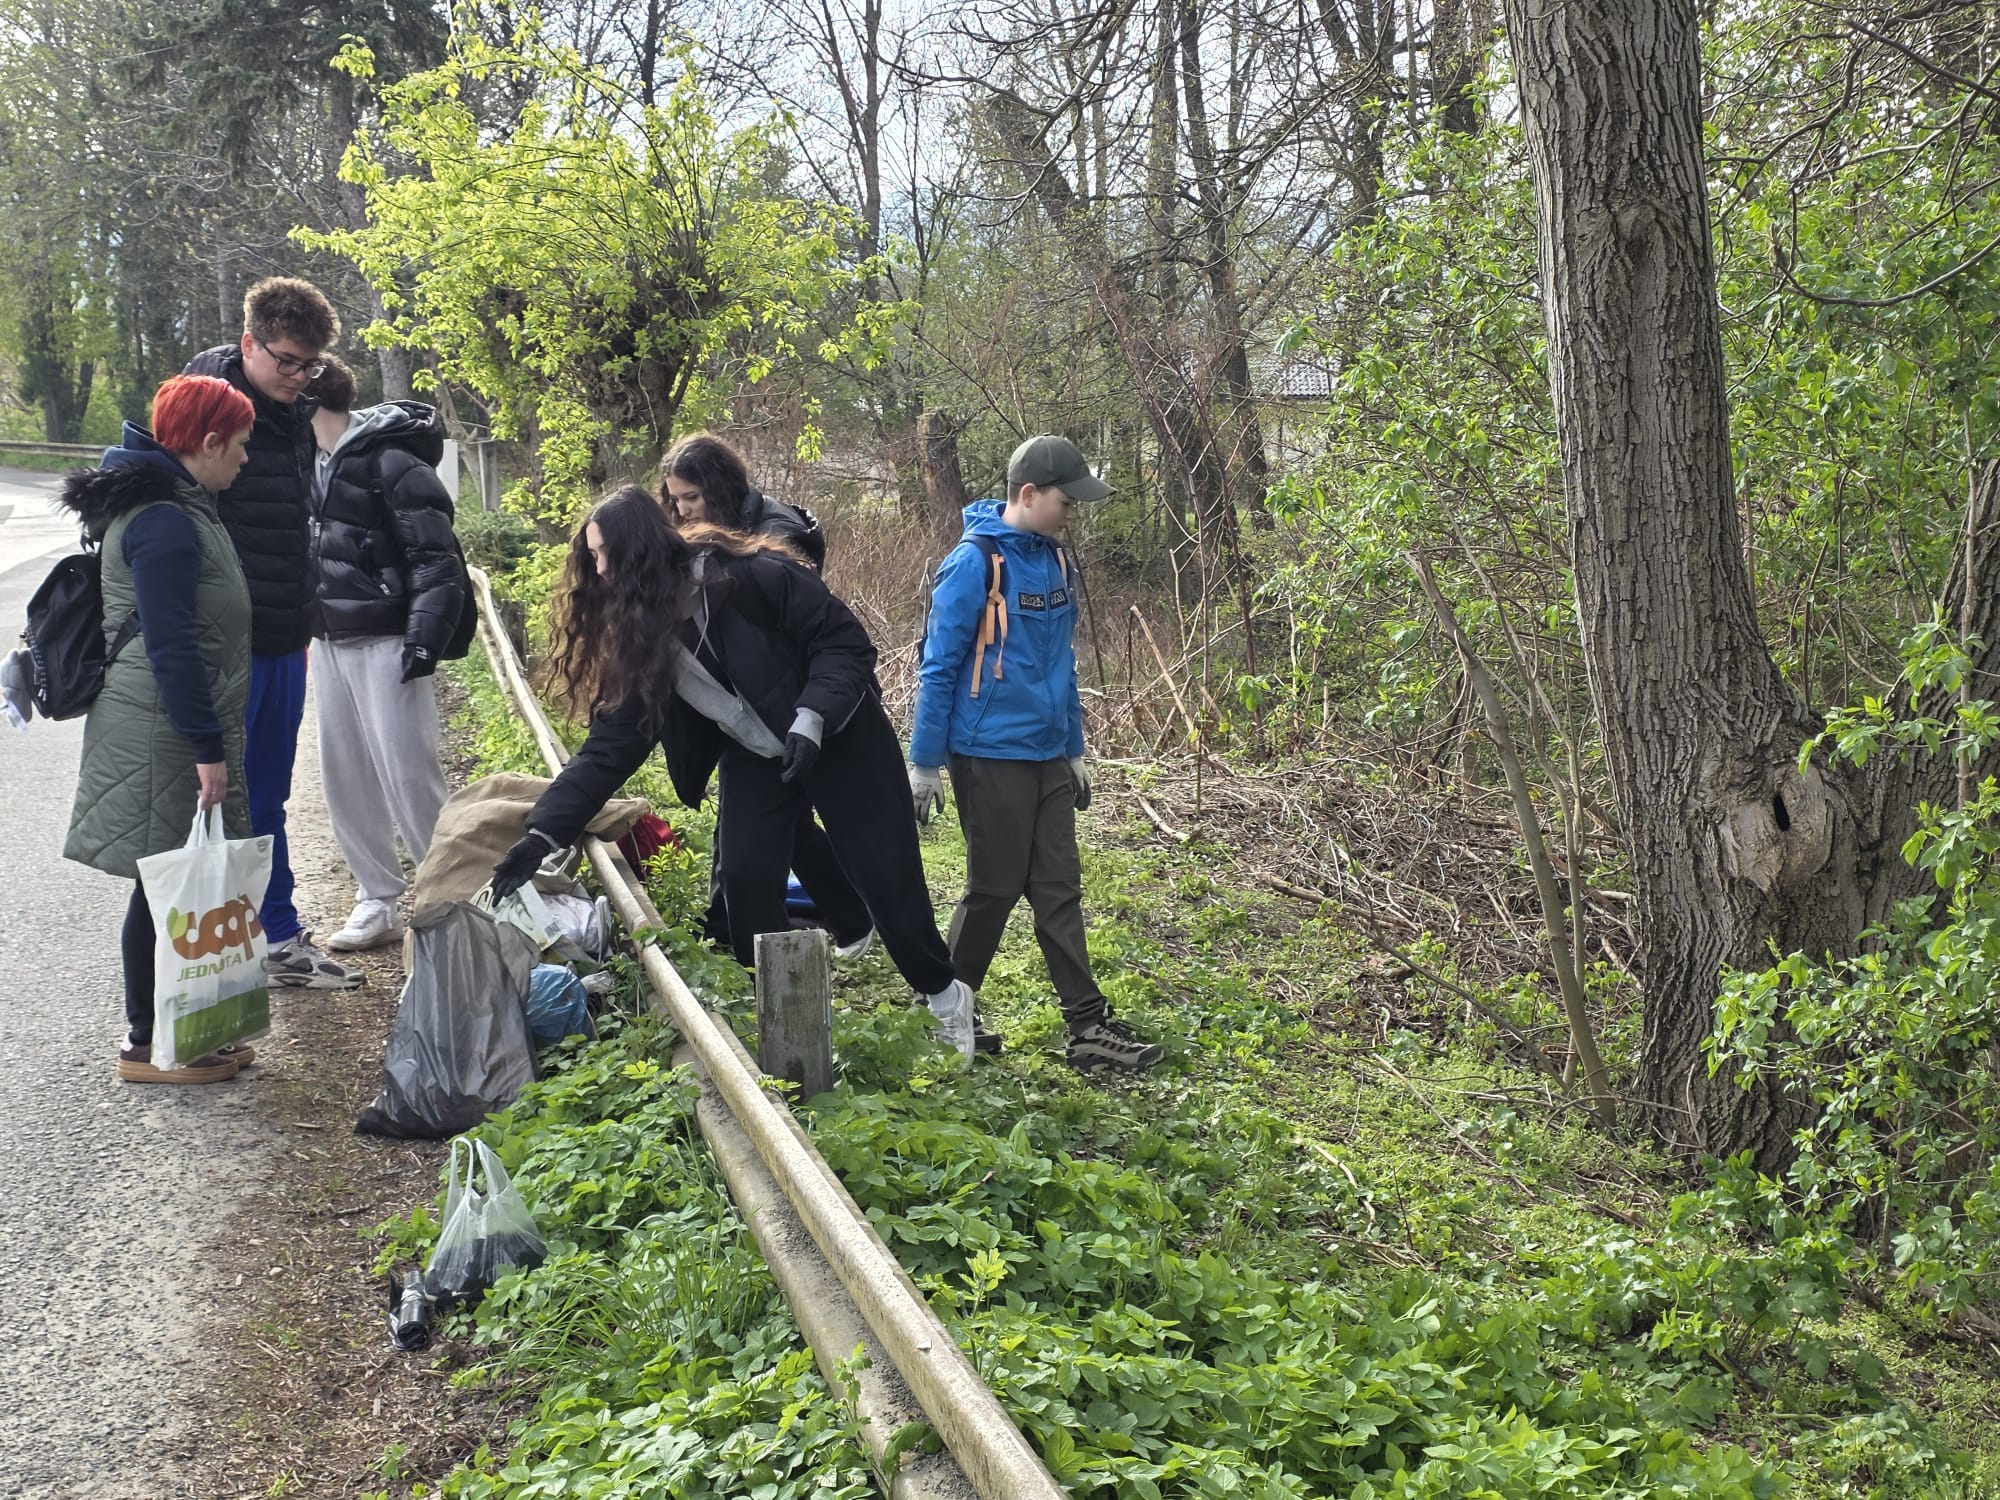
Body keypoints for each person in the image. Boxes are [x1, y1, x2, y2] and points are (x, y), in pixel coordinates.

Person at [485, 488, 978, 1057]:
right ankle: (779, 1007)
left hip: (839, 735)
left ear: (637, 554)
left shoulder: (753, 577)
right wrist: (544, 834)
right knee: (743, 876)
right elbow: (609, 747)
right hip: (756, 750)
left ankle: (944, 994)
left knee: (887, 878)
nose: (595, 571)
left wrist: (813, 716)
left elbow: (843, 643)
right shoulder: (642, 633)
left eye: (602, 556)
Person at [909, 434, 1165, 1072]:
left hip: (1048, 753)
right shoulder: (974, 563)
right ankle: (942, 1012)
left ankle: (1088, 1027)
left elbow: (1061, 665)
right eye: (1065, 502)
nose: (1072, 514)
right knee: (994, 889)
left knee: (1058, 888)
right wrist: (925, 762)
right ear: (1028, 494)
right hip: (988, 753)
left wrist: (1074, 748)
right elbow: (937, 667)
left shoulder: (1055, 562)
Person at [60, 376, 258, 1084]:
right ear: (208, 441)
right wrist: (206, 745)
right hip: (161, 725)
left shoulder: (185, 507)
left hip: (168, 718)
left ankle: (182, 1030)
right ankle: (149, 1042)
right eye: (240, 445)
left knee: (175, 878)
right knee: (165, 880)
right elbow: (171, 643)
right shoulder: (166, 520)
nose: (245, 459)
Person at [186, 277, 363, 989]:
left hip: (288, 632)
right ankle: (212, 965)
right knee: (219, 800)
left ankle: (276, 938)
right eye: (287, 360)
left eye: (310, 365)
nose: (298, 375)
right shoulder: (205, 410)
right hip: (230, 644)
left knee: (269, 795)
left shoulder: (295, 410)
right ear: (249, 343)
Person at [303, 356, 470, 951]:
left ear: (309, 400)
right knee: (344, 774)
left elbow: (436, 557)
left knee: (409, 772)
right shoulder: (302, 461)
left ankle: (449, 898)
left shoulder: (391, 458)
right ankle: (376, 897)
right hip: (328, 639)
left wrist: (423, 638)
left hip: (387, 637)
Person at [659, 432, 826, 567]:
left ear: (720, 490)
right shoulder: (731, 518)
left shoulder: (778, 534)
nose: (682, 511)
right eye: (675, 500)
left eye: (691, 497)